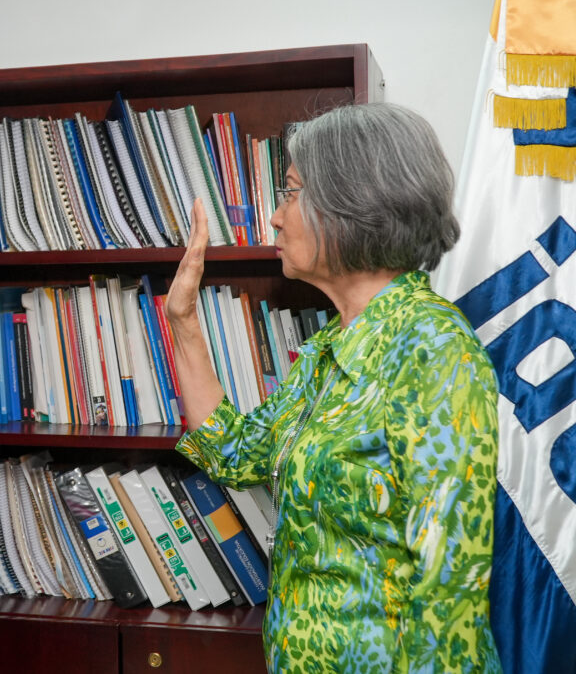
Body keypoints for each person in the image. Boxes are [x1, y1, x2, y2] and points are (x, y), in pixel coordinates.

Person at [166, 103, 502, 673]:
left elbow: (449, 591)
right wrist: (183, 321)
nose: (275, 216)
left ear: (354, 204)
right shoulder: (328, 348)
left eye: (291, 193)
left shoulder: (433, 349)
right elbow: (235, 453)